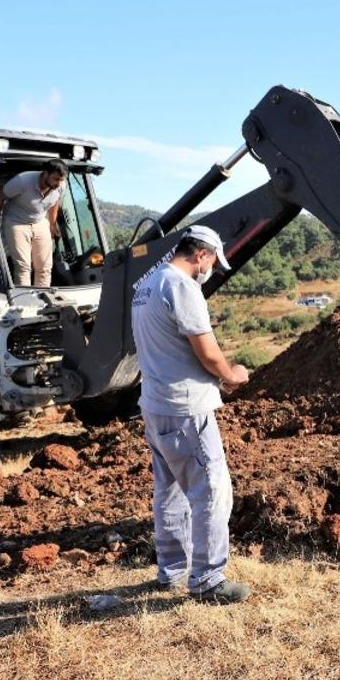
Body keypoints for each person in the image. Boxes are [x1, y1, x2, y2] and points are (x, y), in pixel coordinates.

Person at [131, 225, 251, 603]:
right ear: (201, 254)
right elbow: (207, 349)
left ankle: (172, 571)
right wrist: (232, 375)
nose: (210, 269)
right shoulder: (181, 286)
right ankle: (208, 580)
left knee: (169, 491)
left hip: (155, 403)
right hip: (185, 408)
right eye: (212, 262)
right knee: (212, 490)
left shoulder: (146, 285)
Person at [0, 160, 67, 287]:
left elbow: (55, 203)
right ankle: (25, 300)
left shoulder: (61, 186)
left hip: (39, 221)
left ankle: (43, 298)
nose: (59, 183)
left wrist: (53, 224)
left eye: (61, 180)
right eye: (56, 179)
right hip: (16, 222)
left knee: (45, 266)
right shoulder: (22, 181)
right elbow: (0, 197)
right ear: (45, 174)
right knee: (23, 266)